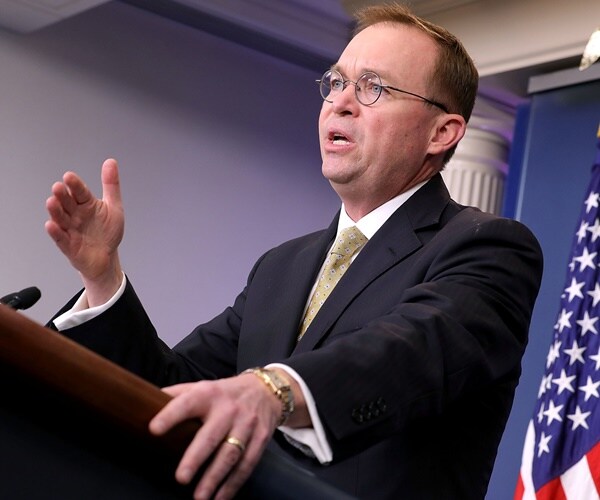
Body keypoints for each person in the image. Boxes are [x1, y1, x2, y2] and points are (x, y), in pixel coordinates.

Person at [45, 3, 543, 500]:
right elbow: (174, 390)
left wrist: (272, 390)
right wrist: (104, 277)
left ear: (443, 133)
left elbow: (407, 352)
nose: (340, 104)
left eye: (373, 87)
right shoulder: (282, 266)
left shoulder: (488, 247)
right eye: (336, 82)